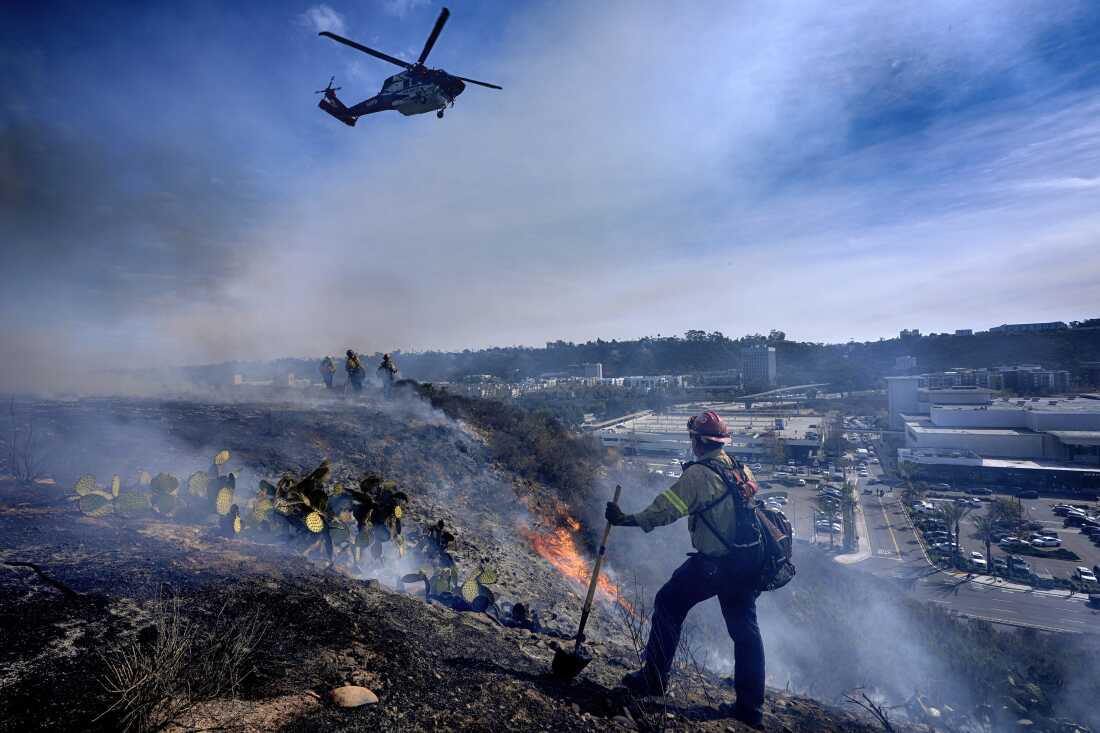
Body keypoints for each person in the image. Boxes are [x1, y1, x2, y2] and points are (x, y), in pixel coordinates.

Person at [605, 411, 766, 730]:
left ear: (697, 441)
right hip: (745, 563)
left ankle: (653, 679)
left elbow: (666, 509)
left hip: (713, 565)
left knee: (668, 603)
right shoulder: (739, 468)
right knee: (745, 633)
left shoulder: (698, 475)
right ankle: (751, 709)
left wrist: (627, 519)